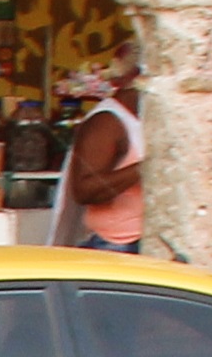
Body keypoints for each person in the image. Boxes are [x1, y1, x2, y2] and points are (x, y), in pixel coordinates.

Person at [52, 72, 145, 253]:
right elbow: (84, 190)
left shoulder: (148, 118)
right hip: (118, 244)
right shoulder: (107, 122)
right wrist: (146, 168)